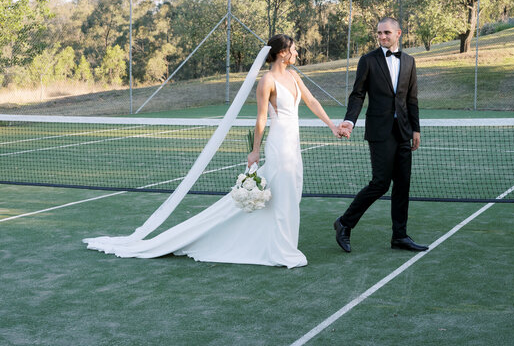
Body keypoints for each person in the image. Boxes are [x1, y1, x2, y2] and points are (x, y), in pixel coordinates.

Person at [84, 34, 340, 268]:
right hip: (278, 145)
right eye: (293, 49)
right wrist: (255, 151)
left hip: (294, 144)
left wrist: (332, 126)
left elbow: (312, 101)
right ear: (283, 52)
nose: (297, 52)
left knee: (291, 194)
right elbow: (261, 119)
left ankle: (283, 244)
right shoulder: (267, 81)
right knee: (283, 197)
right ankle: (283, 251)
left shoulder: (294, 76)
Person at [334, 16, 427, 253]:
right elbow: (357, 94)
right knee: (380, 183)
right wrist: (349, 121)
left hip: (403, 132)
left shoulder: (409, 61)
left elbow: (411, 99)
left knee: (402, 185)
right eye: (379, 33)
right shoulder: (368, 61)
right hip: (379, 131)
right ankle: (344, 223)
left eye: (386, 32)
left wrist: (415, 129)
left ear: (399, 33)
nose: (382, 36)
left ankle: (400, 236)